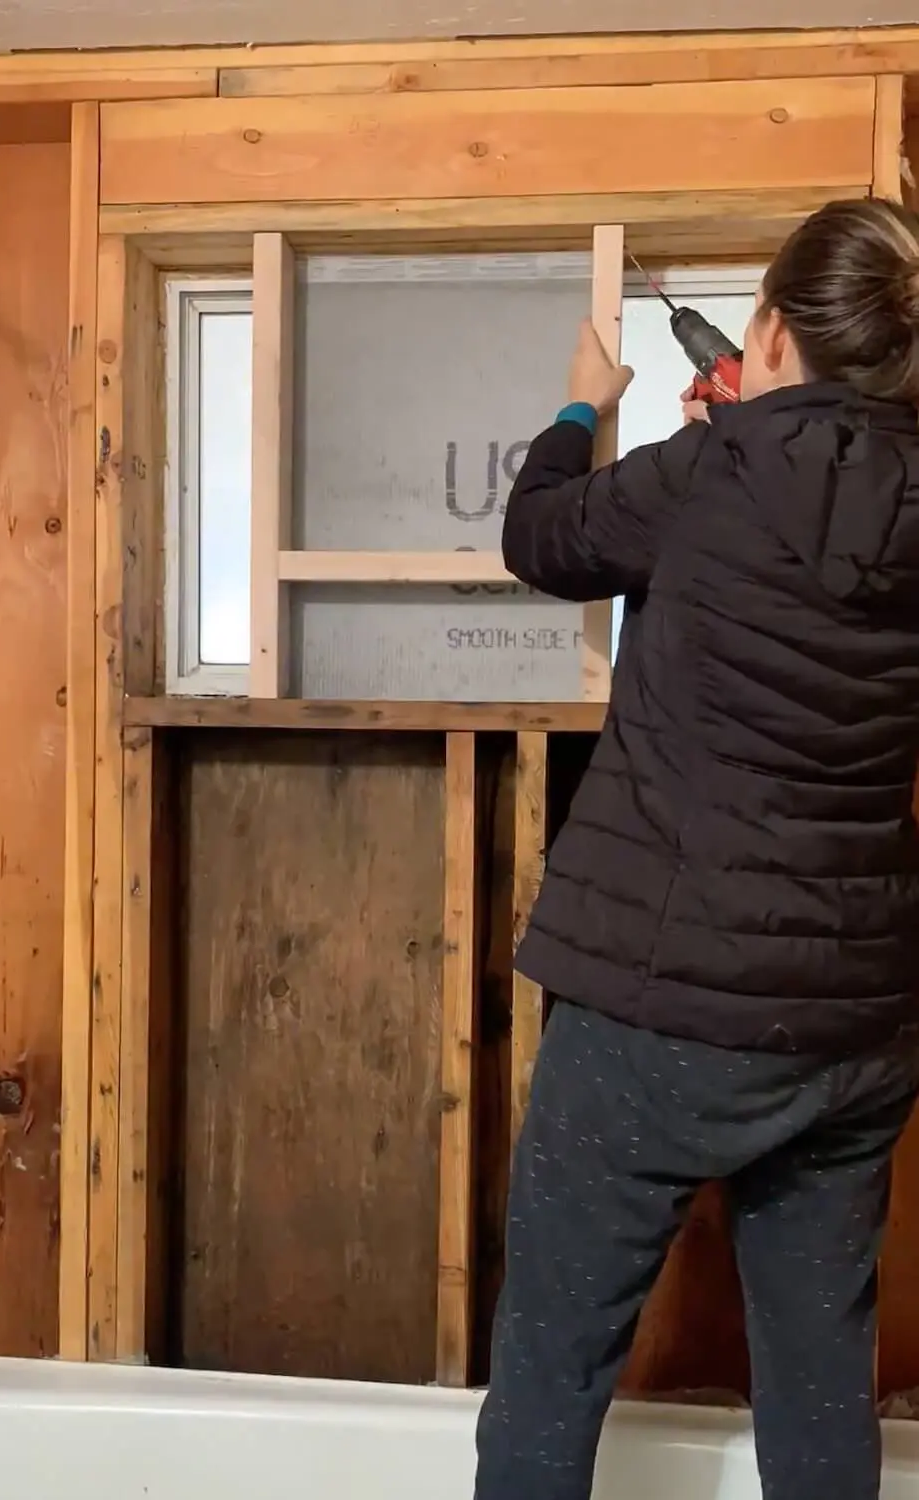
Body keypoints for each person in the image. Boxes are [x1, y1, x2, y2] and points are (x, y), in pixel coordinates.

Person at [475, 198, 919, 1500]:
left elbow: (541, 538)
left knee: (554, 1367)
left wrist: (580, 412)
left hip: (655, 1009)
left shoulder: (710, 477)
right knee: (820, 1383)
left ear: (770, 328)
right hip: (855, 1023)